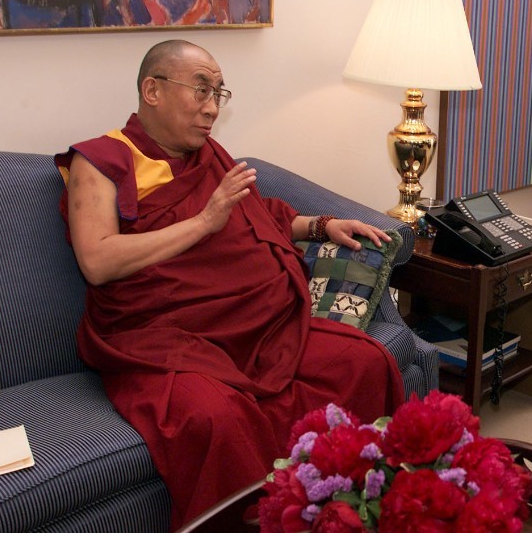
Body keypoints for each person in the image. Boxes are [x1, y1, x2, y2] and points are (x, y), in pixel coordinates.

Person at [54, 40, 406, 530]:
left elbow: (257, 218)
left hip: (258, 326)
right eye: (201, 90)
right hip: (161, 338)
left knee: (365, 361)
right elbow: (97, 260)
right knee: (216, 418)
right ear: (152, 90)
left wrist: (321, 226)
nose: (213, 108)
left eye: (220, 92)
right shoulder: (101, 161)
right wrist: (204, 221)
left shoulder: (209, 155)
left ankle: (349, 508)